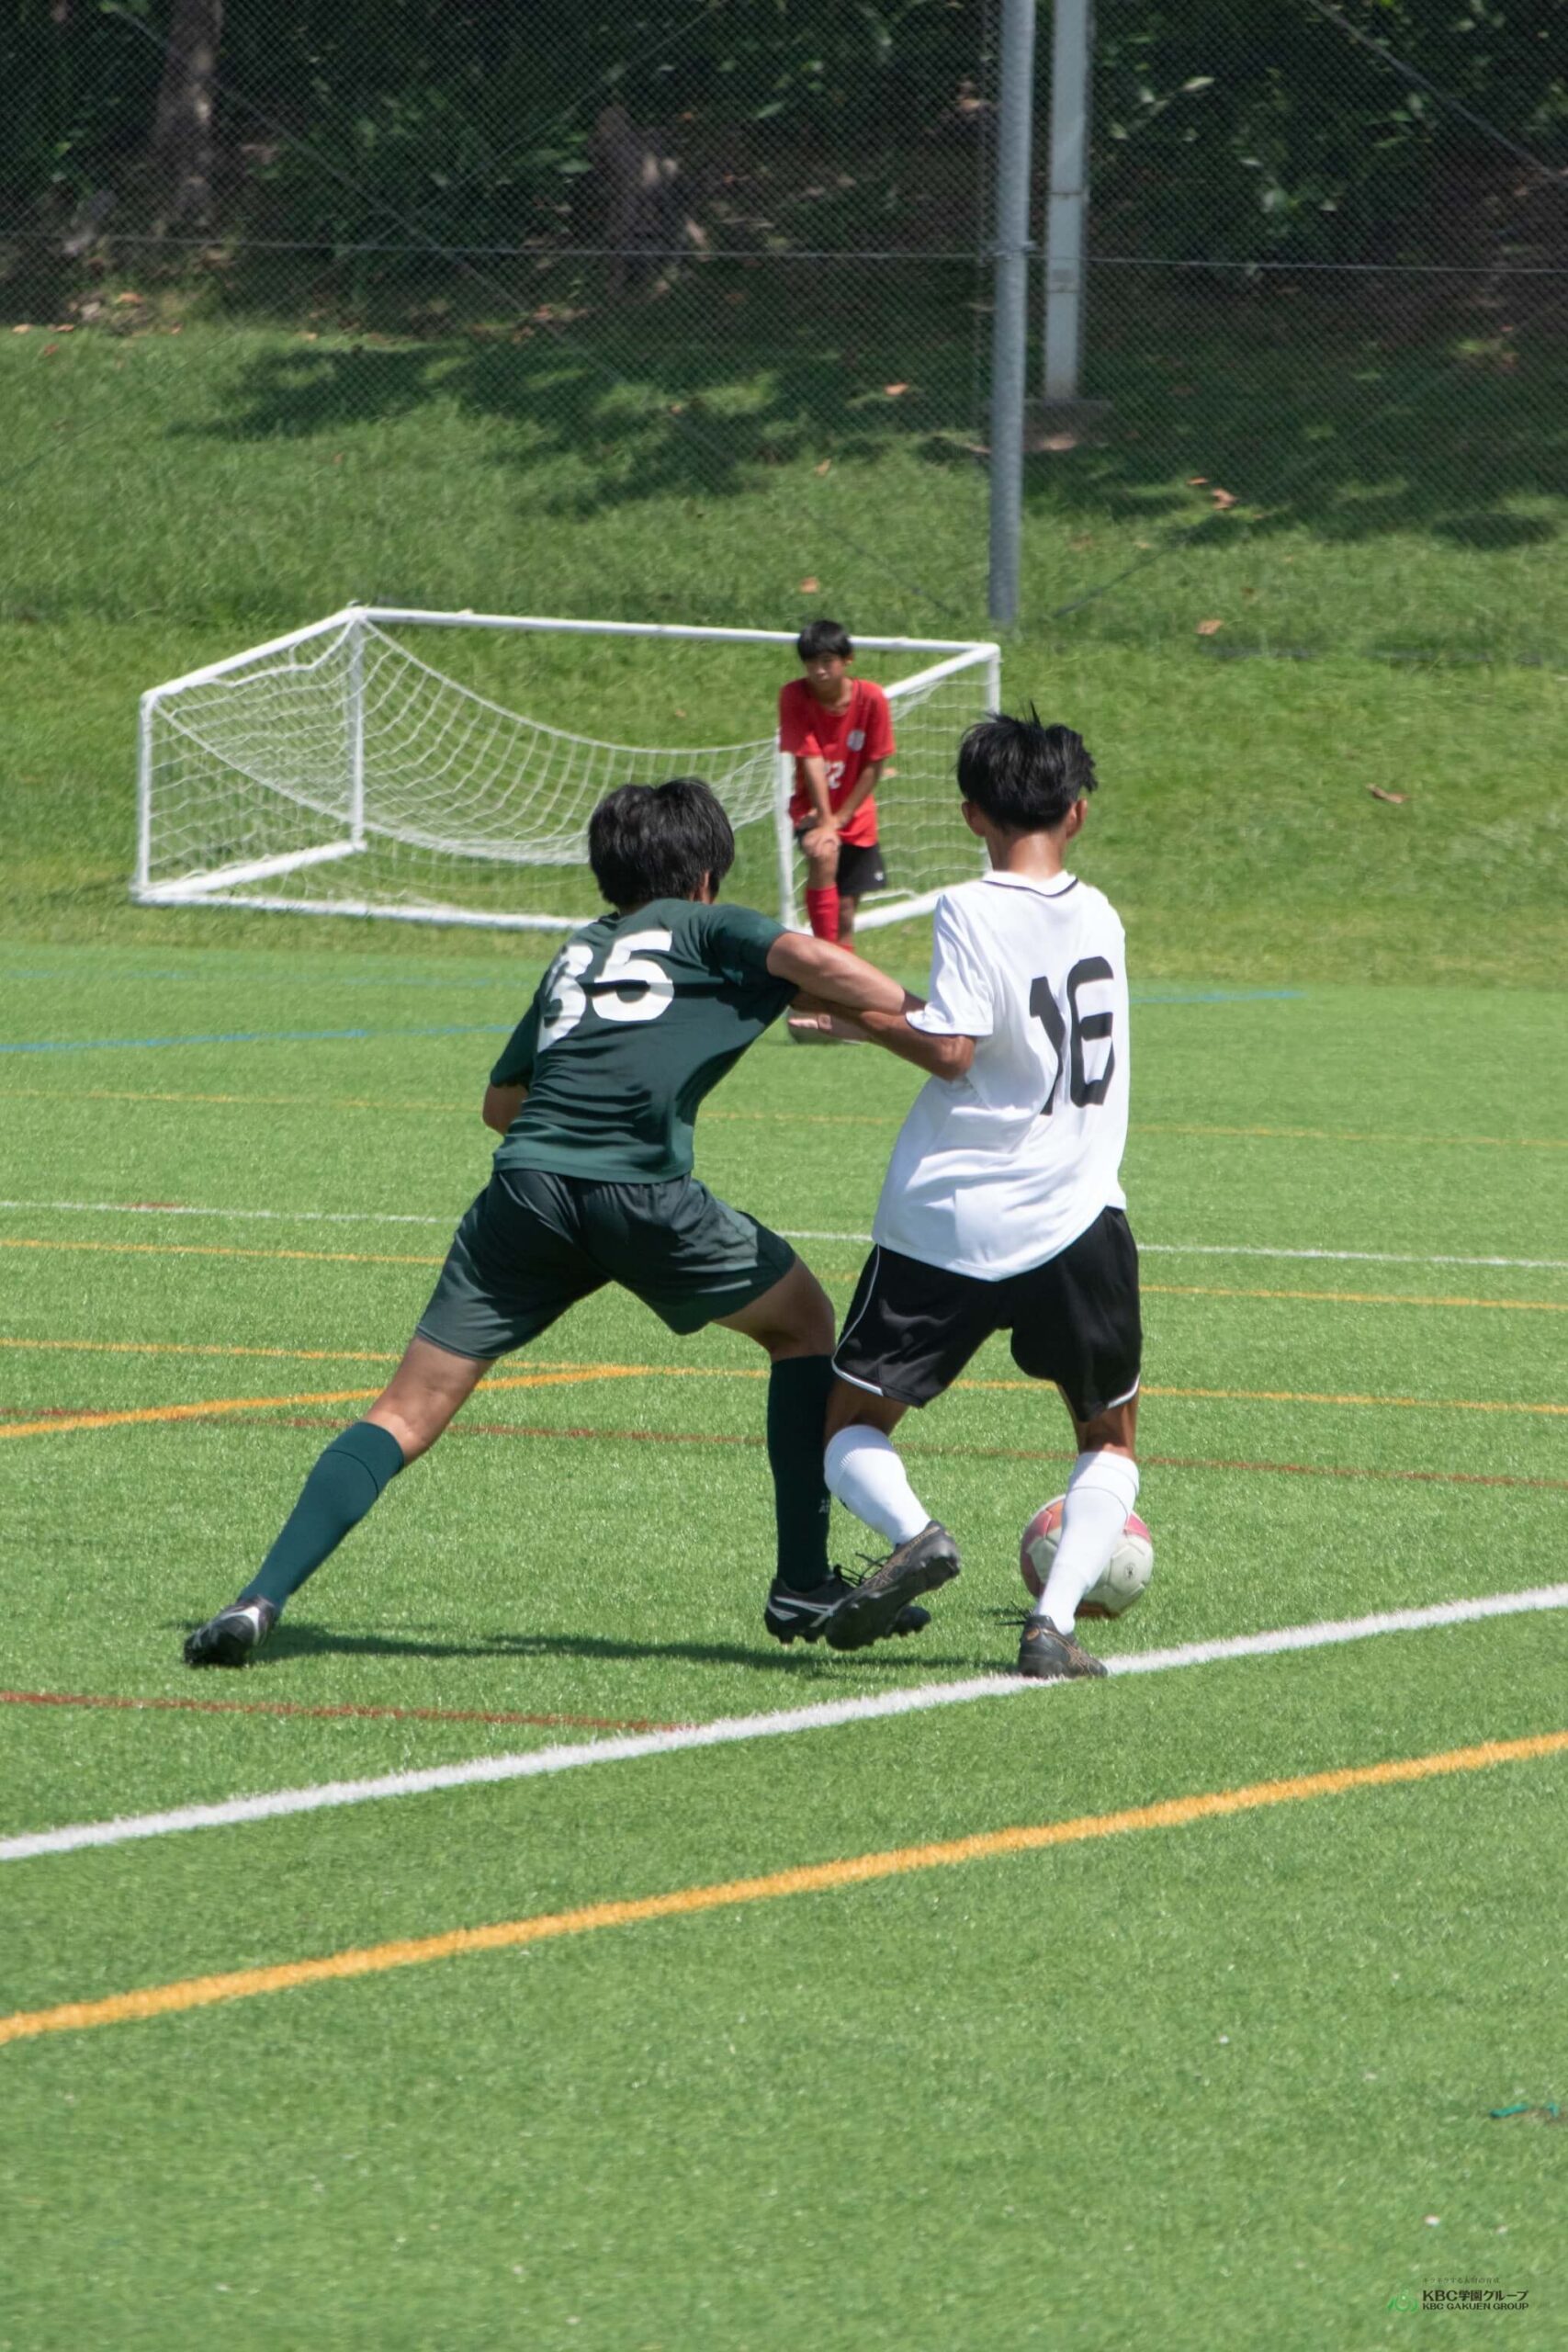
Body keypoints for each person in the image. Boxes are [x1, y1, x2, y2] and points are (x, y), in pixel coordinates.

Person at [184, 777, 931, 1668]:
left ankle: (258, 1599)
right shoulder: (710, 928)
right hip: (640, 1195)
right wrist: (913, 1012)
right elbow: (825, 964)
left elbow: (501, 1106)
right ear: (704, 877)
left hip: (526, 1193)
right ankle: (802, 1580)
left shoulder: (580, 950)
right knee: (802, 1321)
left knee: (405, 1410)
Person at [791, 713, 1141, 1680]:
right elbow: (989, 1032)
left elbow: (953, 1048)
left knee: (850, 1426)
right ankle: (1051, 1623)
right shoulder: (1101, 915)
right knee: (1107, 1437)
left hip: (949, 1216)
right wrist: (883, 1017)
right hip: (1078, 1217)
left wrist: (862, 1015)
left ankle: (915, 1534)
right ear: (1077, 813)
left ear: (970, 814)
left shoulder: (969, 905)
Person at [779, 618, 893, 948]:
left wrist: (840, 818)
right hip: (812, 810)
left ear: (847, 660)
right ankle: (825, 962)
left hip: (856, 815)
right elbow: (811, 759)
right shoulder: (794, 695)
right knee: (823, 852)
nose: (819, 671)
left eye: (827, 661)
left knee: (845, 913)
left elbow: (874, 764)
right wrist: (826, 821)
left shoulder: (872, 698)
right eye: (811, 663)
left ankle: (840, 968)